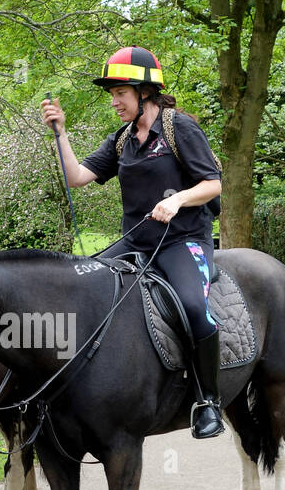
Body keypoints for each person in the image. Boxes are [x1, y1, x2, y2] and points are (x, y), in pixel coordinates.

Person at [41, 47, 225, 439]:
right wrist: (61, 133)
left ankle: (208, 400)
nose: (114, 102)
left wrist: (176, 199)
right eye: (112, 94)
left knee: (194, 307)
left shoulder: (180, 129)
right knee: (80, 283)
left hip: (182, 242)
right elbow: (77, 177)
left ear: (144, 92)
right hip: (135, 244)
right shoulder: (122, 139)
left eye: (120, 93)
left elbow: (212, 184)